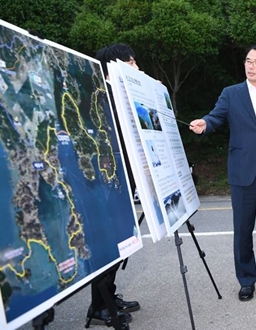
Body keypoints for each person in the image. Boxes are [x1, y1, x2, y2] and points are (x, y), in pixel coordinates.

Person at [189, 44, 256, 302]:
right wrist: (205, 123)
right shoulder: (231, 93)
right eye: (248, 60)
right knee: (242, 229)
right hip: (242, 170)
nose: (251, 65)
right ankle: (246, 280)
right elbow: (216, 116)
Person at [88, 43, 141, 326]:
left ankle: (108, 296)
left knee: (121, 244)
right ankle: (99, 306)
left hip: (123, 182)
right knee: (108, 245)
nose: (137, 68)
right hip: (106, 185)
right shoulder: (101, 97)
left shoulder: (122, 95)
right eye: (132, 63)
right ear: (115, 65)